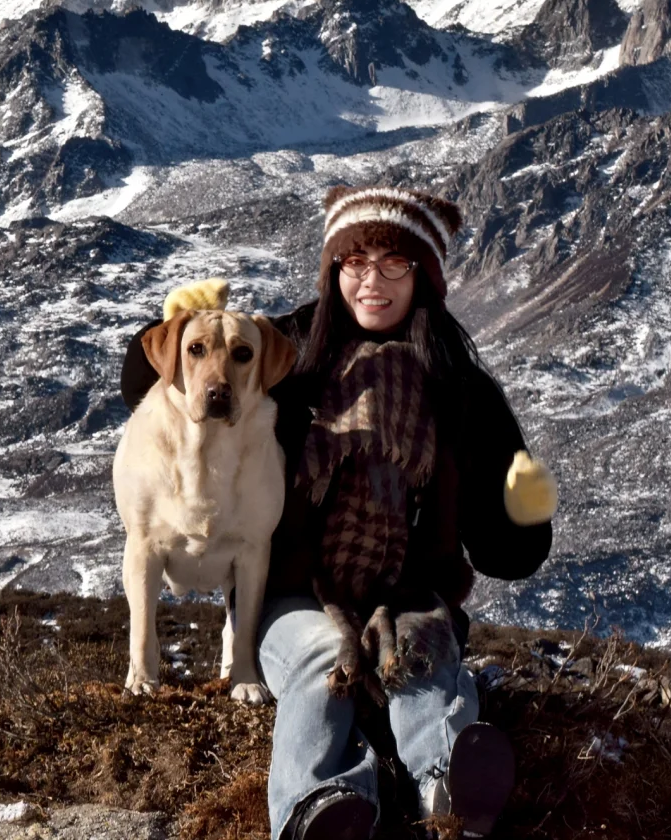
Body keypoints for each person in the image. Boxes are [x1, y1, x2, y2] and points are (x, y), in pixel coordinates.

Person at [119, 185, 558, 839]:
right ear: (332, 269)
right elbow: (177, 391)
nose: (370, 281)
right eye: (353, 263)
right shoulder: (289, 353)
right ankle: (317, 810)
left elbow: (502, 556)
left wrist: (524, 517)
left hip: (410, 594)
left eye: (392, 264)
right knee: (322, 659)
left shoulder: (461, 392)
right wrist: (160, 338)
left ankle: (448, 794)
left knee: (423, 657)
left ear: (424, 276)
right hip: (288, 591)